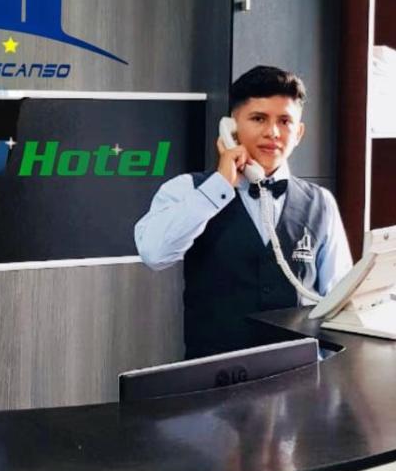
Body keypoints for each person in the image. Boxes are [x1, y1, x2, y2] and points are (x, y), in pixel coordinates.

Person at [135, 65, 352, 359]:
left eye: (285, 121)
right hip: (213, 377)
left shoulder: (321, 202)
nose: (273, 132)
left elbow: (339, 300)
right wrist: (219, 186)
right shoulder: (187, 190)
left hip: (300, 376)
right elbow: (154, 254)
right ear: (231, 127)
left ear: (299, 132)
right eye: (258, 118)